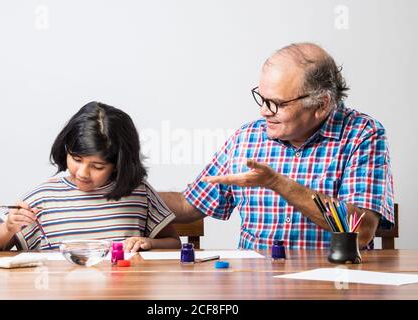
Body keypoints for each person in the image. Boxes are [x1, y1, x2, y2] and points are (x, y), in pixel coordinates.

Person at [160, 42, 394, 250]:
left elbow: (361, 231)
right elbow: (188, 204)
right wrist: (131, 191)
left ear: (321, 105)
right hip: (256, 285)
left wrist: (276, 182)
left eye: (277, 104)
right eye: (262, 99)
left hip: (332, 283)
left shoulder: (363, 134)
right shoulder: (247, 137)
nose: (264, 111)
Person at [0, 102, 180, 257]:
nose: (82, 172)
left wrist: (148, 243)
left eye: (97, 166)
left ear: (118, 164)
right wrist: (8, 227)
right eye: (76, 159)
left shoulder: (138, 193)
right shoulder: (43, 198)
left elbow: (173, 242)